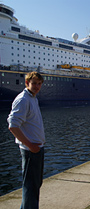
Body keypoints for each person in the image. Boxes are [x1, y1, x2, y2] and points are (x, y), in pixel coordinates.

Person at [7, 71, 45, 209]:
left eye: (39, 84)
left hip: (36, 148)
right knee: (30, 186)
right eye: (34, 83)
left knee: (34, 185)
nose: (37, 86)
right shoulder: (23, 99)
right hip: (31, 150)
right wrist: (30, 145)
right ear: (27, 83)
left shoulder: (33, 98)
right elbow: (13, 125)